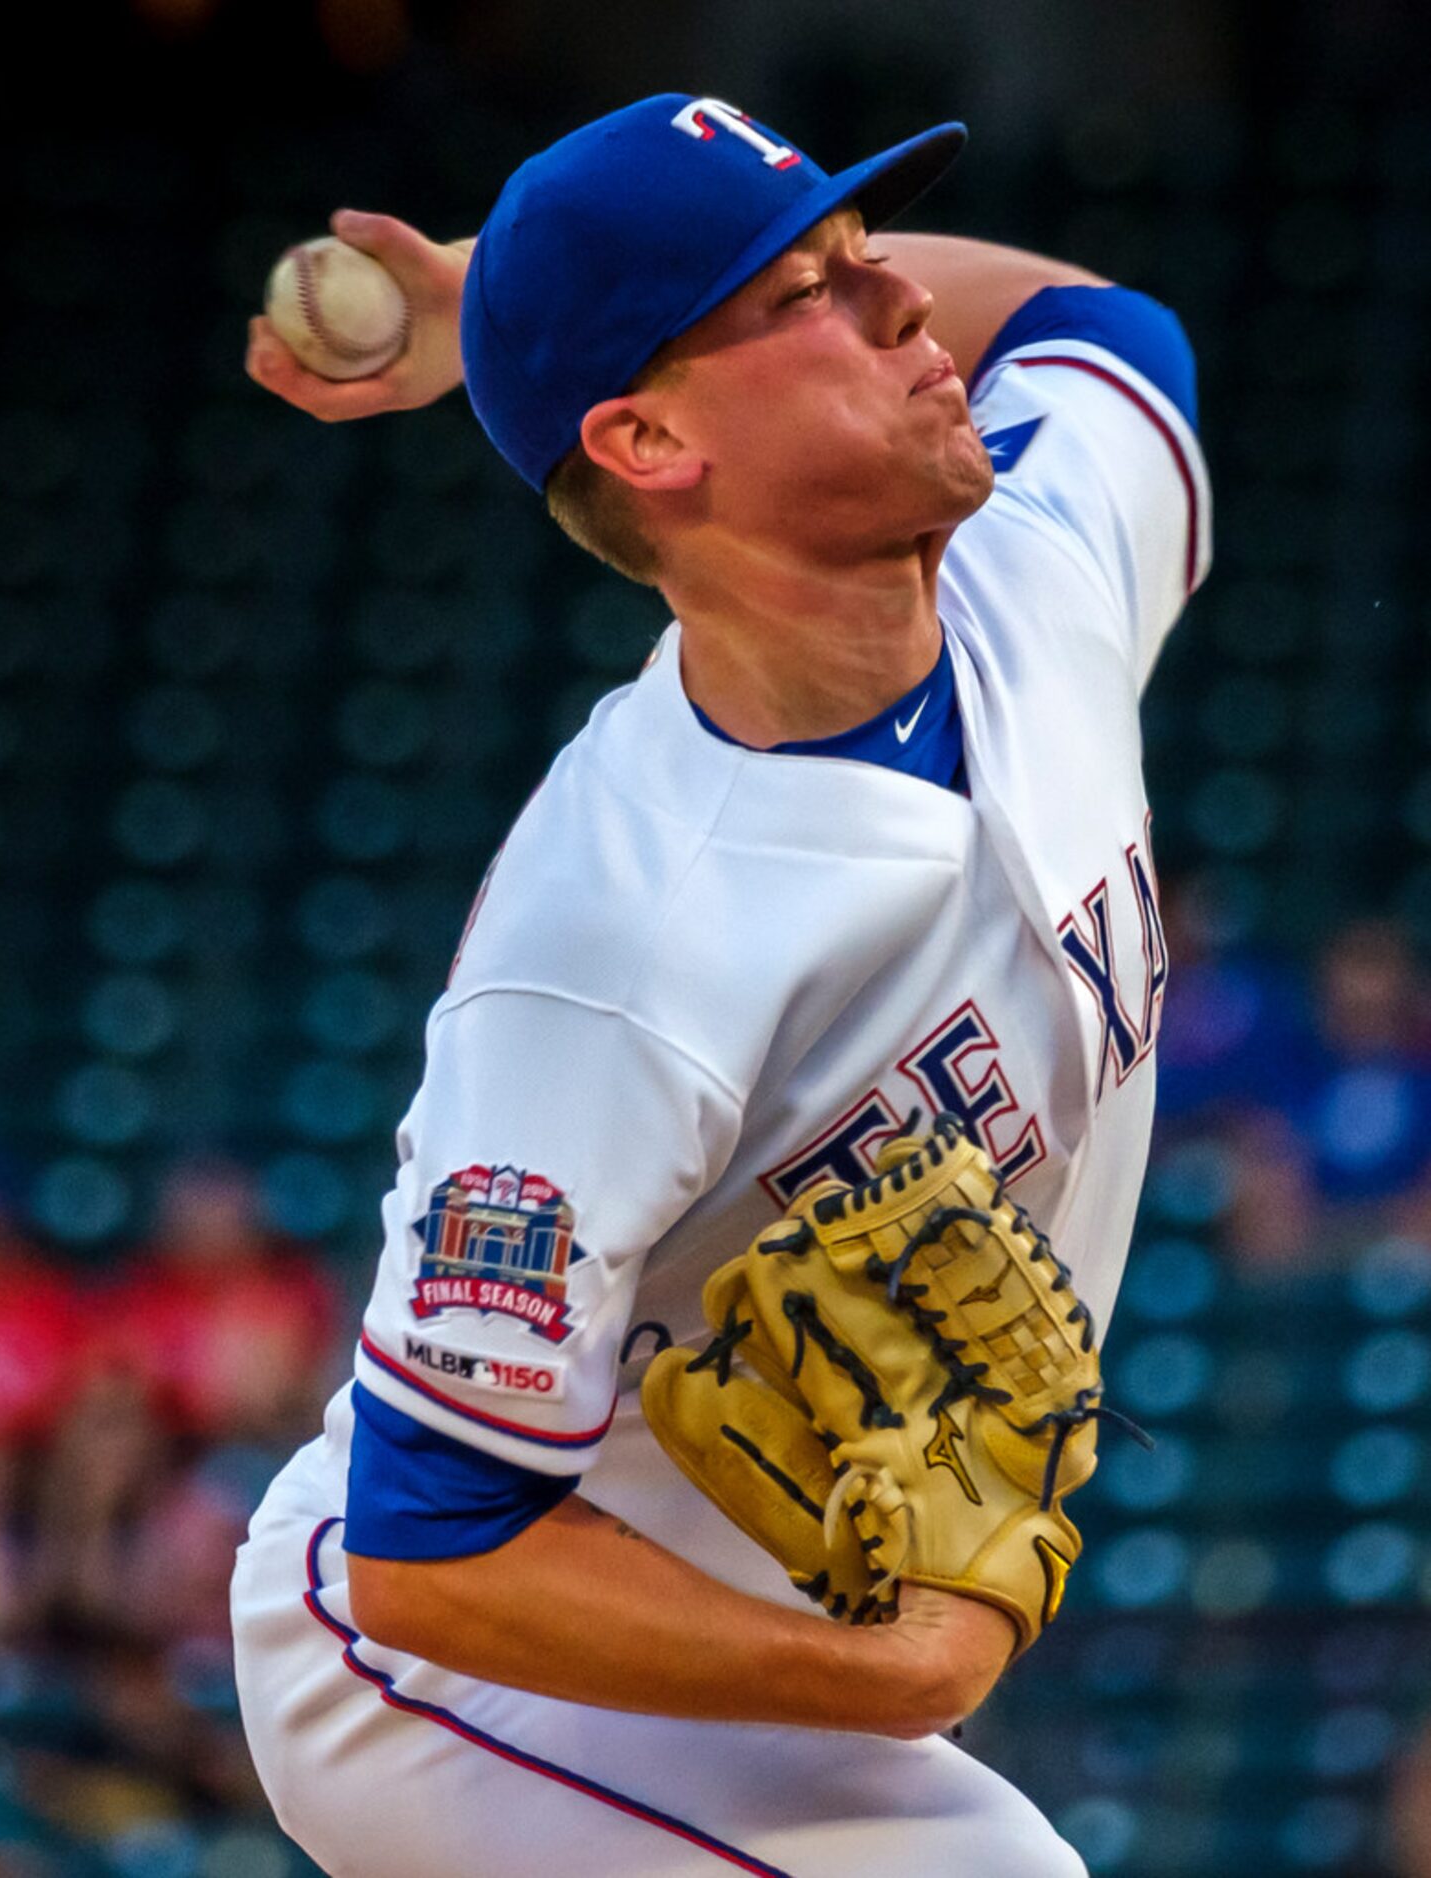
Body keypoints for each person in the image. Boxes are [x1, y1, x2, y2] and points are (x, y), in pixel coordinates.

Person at [231, 93, 1211, 1876]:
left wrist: (494, 297)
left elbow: (1102, 333)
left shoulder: (1040, 566)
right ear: (649, 436)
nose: (910, 308)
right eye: (806, 295)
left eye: (870, 258)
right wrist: (888, 1671)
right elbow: (430, 1543)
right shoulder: (608, 955)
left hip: (704, 1620)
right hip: (443, 1677)